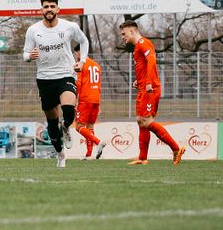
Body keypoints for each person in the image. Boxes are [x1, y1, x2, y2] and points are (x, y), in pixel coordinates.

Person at [23, 0, 88, 168]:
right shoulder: (33, 30)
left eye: (52, 6)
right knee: (52, 122)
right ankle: (60, 155)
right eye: (46, 6)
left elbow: (84, 41)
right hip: (44, 79)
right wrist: (30, 56)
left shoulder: (69, 26)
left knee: (68, 108)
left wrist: (81, 62)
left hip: (66, 74)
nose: (49, 9)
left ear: (58, 8)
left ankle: (67, 127)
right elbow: (25, 54)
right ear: (41, 9)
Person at [119, 20, 185, 165]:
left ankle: (176, 149)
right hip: (144, 87)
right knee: (141, 121)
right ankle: (143, 158)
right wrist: (140, 81)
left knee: (146, 121)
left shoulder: (143, 43)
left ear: (132, 31)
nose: (123, 37)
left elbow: (151, 60)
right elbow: (144, 65)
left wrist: (148, 82)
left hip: (151, 88)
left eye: (124, 34)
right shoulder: (137, 48)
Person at [73, 44, 106, 160]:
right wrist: (99, 103)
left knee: (79, 127)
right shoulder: (96, 65)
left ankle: (98, 142)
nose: (75, 56)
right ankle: (89, 154)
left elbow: (78, 83)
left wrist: (75, 100)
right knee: (90, 126)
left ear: (79, 52)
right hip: (95, 99)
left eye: (76, 53)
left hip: (85, 99)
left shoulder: (80, 65)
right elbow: (99, 85)